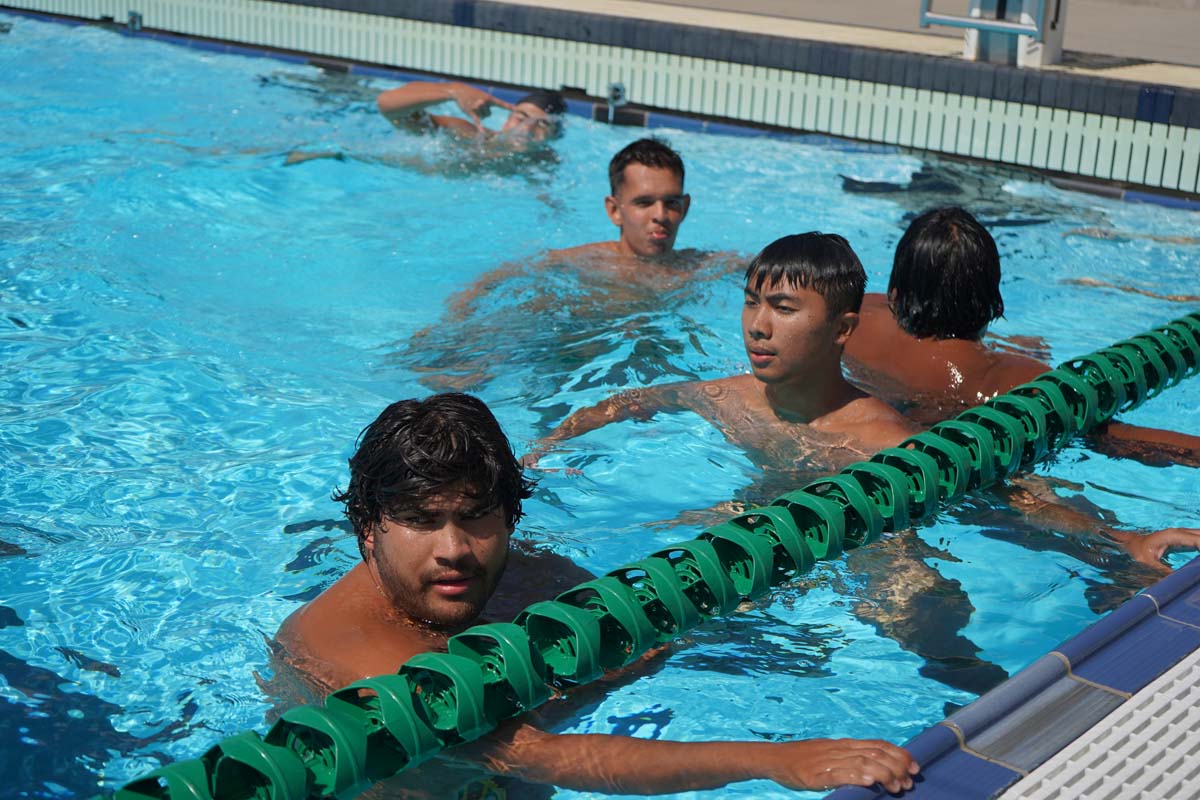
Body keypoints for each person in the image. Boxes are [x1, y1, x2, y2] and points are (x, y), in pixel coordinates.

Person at [273, 392, 920, 796]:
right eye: (420, 521)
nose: (453, 548)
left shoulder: (511, 571)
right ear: (366, 531)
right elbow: (542, 757)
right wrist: (778, 761)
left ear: (510, 517)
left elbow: (647, 623)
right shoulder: (357, 653)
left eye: (475, 515)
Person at [844, 206, 1200, 467]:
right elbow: (1114, 438)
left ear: (895, 293)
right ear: (992, 304)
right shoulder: (1016, 378)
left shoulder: (856, 321)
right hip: (978, 465)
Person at [376, 80, 566, 144]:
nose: (526, 129)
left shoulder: (545, 161)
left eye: (542, 123)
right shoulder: (468, 136)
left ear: (554, 135)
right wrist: (453, 91)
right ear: (507, 118)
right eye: (521, 117)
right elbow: (387, 105)